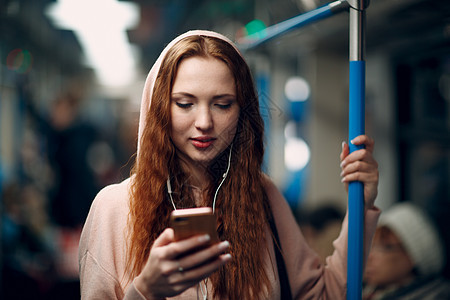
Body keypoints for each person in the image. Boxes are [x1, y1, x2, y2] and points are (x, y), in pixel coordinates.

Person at [78, 30, 380, 299]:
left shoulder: (262, 196)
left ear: (242, 112)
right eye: (185, 103)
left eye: (223, 104)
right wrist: (145, 290)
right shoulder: (114, 209)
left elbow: (321, 294)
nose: (205, 123)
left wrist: (360, 207)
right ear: (160, 109)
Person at [363, 202, 450, 300]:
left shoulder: (438, 295)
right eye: (370, 246)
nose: (368, 257)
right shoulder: (365, 291)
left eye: (386, 247)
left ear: (414, 255)